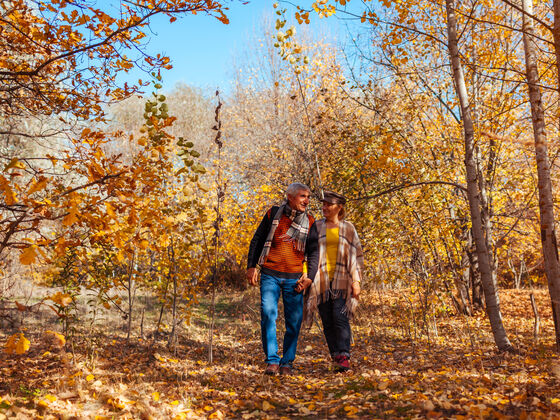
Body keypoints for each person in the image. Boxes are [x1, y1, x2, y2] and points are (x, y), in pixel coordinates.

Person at [247, 183, 319, 375]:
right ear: (290, 197)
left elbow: (314, 253)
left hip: (294, 278)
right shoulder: (274, 214)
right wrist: (251, 266)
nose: (306, 200)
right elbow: (258, 240)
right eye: (302, 196)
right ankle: (272, 360)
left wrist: (310, 277)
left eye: (308, 197)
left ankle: (287, 362)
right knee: (268, 315)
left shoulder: (311, 221)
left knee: (294, 322)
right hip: (270, 274)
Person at [304, 191, 363, 372]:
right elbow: (308, 253)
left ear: (339, 207)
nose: (324, 207)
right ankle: (336, 355)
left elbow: (357, 255)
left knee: (340, 316)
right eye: (323, 204)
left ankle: (344, 354)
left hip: (342, 279)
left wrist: (356, 281)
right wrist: (306, 275)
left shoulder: (348, 228)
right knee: (327, 320)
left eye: (328, 204)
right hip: (320, 281)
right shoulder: (316, 226)